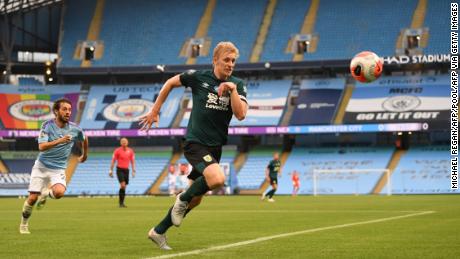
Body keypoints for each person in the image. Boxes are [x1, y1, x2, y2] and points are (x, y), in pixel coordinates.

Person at [139, 41, 247, 250]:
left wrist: (232, 90)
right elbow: (170, 82)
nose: (230, 64)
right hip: (196, 143)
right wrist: (155, 110)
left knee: (196, 200)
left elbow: (241, 114)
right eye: (226, 60)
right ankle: (182, 198)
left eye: (233, 61)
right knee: (217, 179)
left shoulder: (238, 84)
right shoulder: (199, 77)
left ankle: (158, 231)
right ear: (215, 60)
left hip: (215, 148)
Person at [19, 98, 88, 234]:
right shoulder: (47, 126)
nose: (68, 112)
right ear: (56, 111)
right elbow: (42, 147)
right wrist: (60, 140)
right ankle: (23, 224)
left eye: (69, 109)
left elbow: (84, 139)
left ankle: (45, 193)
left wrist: (84, 155)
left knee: (59, 193)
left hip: (58, 168)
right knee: (32, 198)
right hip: (41, 166)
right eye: (64, 109)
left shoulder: (75, 129)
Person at [109, 138, 136, 208]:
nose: (124, 143)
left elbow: (132, 161)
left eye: (125, 141)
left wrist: (133, 170)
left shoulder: (130, 151)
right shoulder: (117, 151)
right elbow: (113, 161)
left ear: (127, 142)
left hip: (126, 170)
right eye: (122, 142)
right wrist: (110, 170)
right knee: (123, 185)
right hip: (119, 169)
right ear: (120, 143)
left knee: (124, 187)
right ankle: (121, 203)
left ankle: (122, 203)